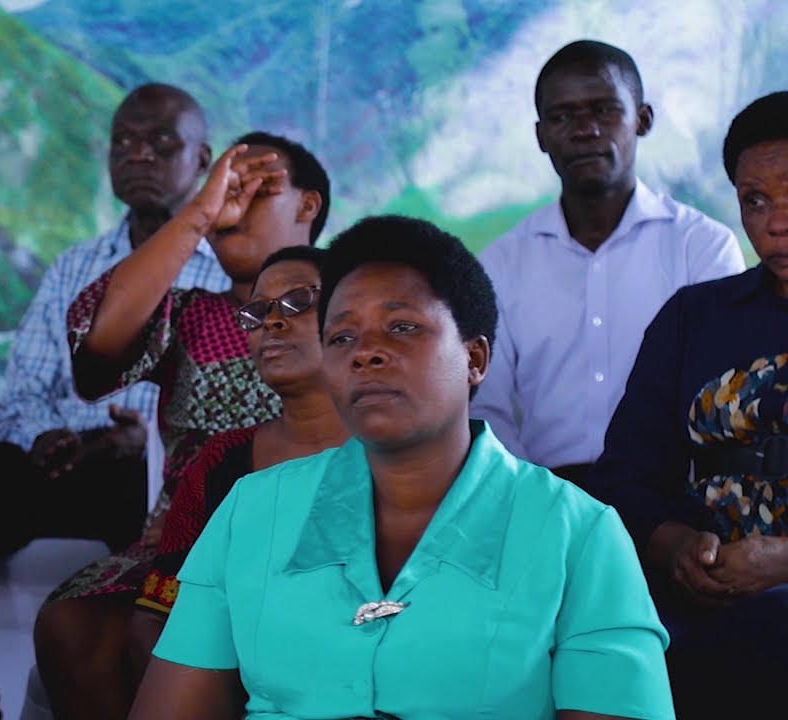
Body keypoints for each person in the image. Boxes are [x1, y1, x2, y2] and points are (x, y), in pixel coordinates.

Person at [132, 215, 674, 720]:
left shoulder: (579, 534)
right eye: (342, 337)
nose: (365, 352)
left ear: (476, 359)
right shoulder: (251, 512)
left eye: (402, 327)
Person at [0, 82, 229, 719]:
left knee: (151, 542)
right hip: (67, 464)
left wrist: (144, 441)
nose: (137, 153)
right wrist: (43, 437)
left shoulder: (229, 273)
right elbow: (22, 397)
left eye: (160, 142)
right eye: (123, 141)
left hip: (169, 482)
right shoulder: (75, 267)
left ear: (203, 162)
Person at [36, 131, 330, 718]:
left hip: (319, 543)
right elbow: (93, 349)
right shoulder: (190, 314)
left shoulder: (352, 308)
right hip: (182, 546)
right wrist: (196, 215)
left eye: (254, 188)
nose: (232, 205)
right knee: (75, 619)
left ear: (307, 205)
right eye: (224, 186)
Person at [586, 91, 788, 719]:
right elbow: (626, 473)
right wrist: (676, 546)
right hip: (701, 609)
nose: (775, 222)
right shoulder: (694, 318)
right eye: (755, 200)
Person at [470, 40, 744, 487]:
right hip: (547, 499)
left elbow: (723, 395)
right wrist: (531, 500)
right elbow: (487, 407)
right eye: (561, 117)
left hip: (680, 502)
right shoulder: (501, 263)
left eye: (603, 110)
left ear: (642, 119)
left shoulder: (703, 247)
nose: (584, 130)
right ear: (540, 137)